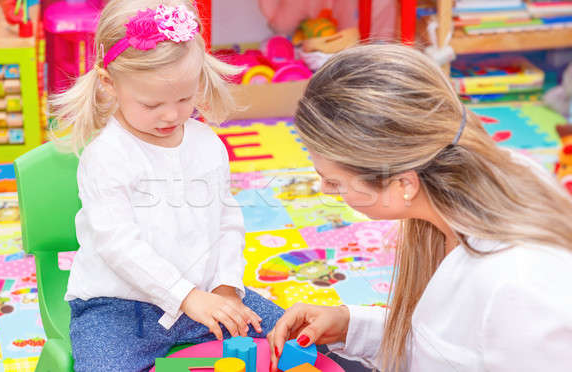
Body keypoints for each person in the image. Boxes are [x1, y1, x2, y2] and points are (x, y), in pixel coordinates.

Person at [267, 44, 572, 372]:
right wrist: (349, 325)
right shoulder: (474, 187)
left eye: (335, 182)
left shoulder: (519, 287)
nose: (325, 189)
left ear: (404, 185)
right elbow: (447, 345)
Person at [51, 1, 283, 370]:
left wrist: (225, 288)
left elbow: (226, 220)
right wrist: (185, 295)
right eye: (152, 103)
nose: (172, 115)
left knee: (291, 337)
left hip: (204, 296)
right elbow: (119, 246)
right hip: (118, 310)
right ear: (110, 83)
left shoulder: (206, 142)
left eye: (184, 98)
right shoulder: (107, 156)